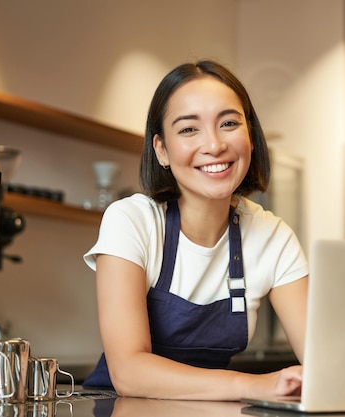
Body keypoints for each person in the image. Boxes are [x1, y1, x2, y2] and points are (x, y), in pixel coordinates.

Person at [82, 60, 308, 401]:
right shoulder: (131, 221)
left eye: (229, 123)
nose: (215, 145)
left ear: (250, 135)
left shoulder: (272, 237)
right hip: (122, 408)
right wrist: (255, 385)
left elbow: (324, 360)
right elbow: (128, 371)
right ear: (161, 150)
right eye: (189, 129)